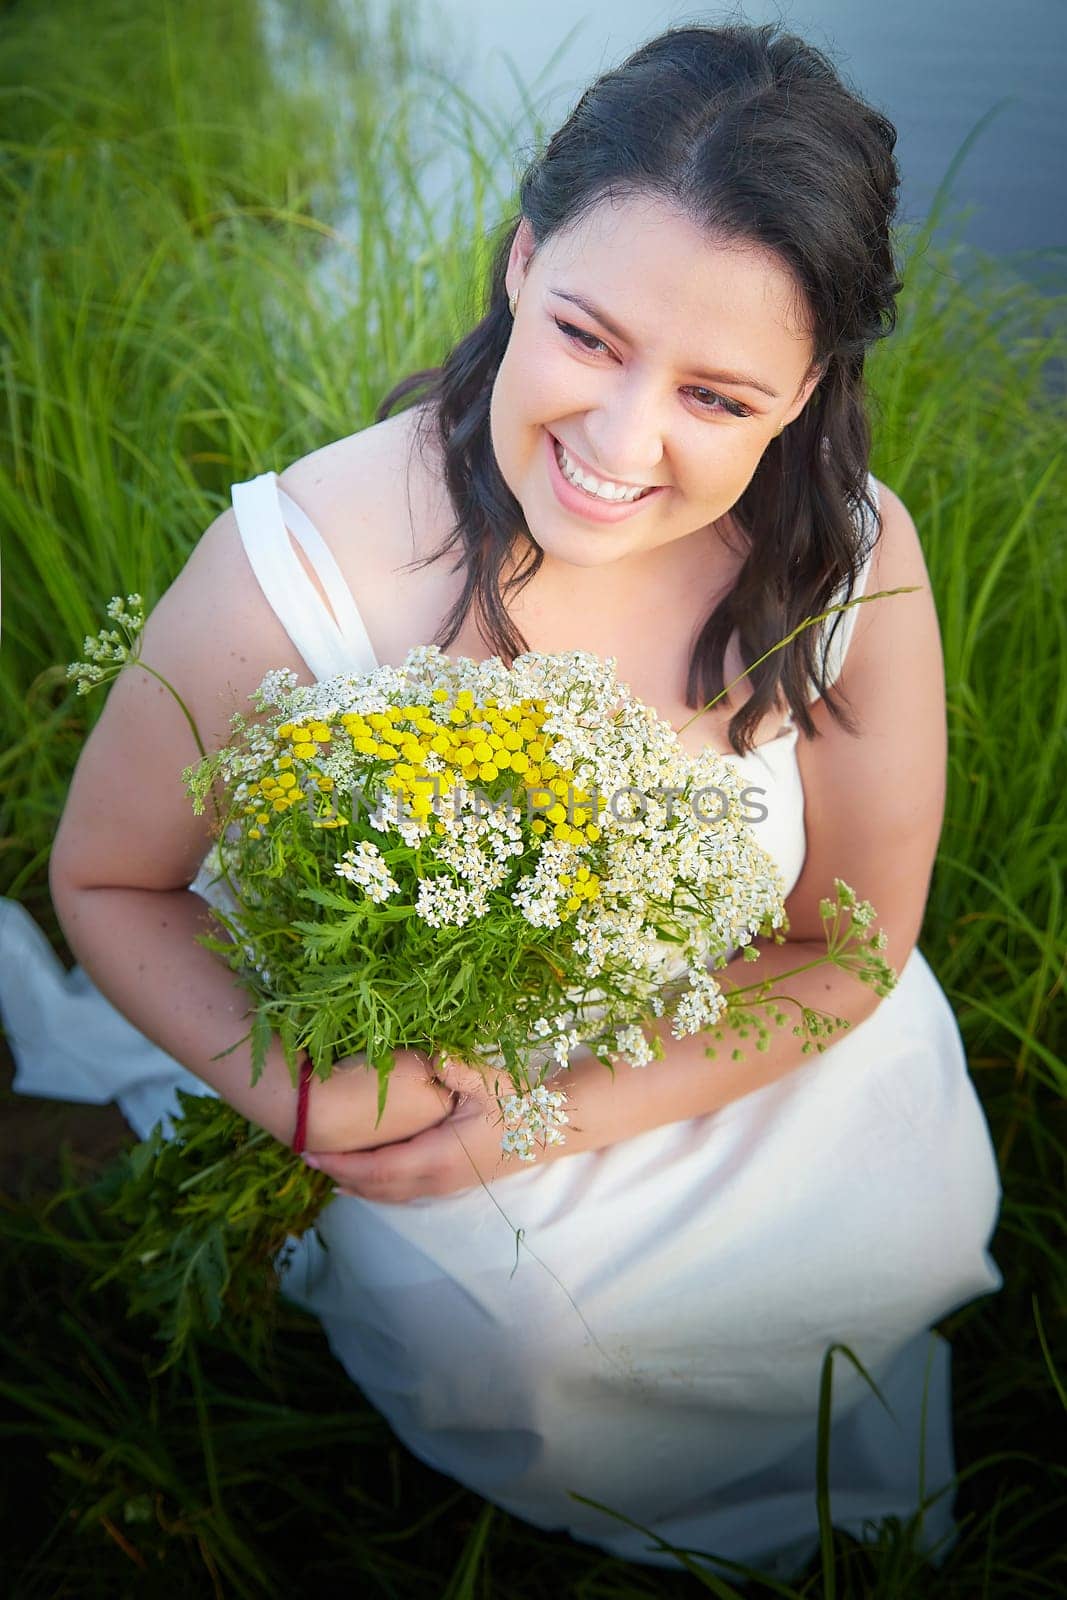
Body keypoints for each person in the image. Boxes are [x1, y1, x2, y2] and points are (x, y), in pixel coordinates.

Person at [0, 20, 1003, 1584]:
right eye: (591, 336)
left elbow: (856, 941)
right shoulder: (298, 561)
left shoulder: (851, 559)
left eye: (720, 398)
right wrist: (313, 1103)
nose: (619, 445)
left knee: (877, 1238)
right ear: (521, 260)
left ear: (809, 390)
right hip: (416, 1096)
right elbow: (110, 882)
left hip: (752, 1062)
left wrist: (556, 1124)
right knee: (534, 1337)